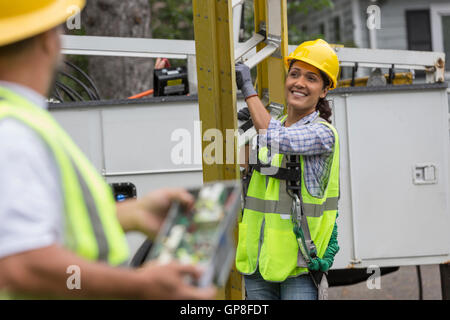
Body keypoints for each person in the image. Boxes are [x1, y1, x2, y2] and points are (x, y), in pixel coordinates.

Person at [0, 0, 216, 300]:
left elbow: (41, 231)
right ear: (48, 40)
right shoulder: (14, 132)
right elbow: (22, 266)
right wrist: (140, 286)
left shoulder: (17, 121)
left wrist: (132, 214)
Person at [235, 39, 341, 300]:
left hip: (298, 268)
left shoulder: (322, 134)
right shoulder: (275, 126)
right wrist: (237, 131)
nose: (299, 83)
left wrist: (248, 90)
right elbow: (242, 168)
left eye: (311, 78)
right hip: (258, 264)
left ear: (324, 90)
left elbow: (278, 139)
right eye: (294, 74)